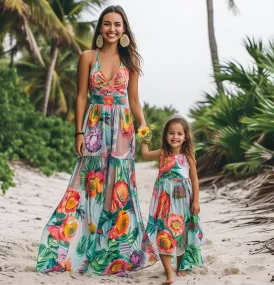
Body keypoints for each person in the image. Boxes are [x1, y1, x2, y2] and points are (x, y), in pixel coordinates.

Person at [36, 5, 158, 276]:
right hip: (94, 127)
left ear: (124, 29)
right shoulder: (87, 56)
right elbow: (80, 96)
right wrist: (78, 132)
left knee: (119, 187)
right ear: (100, 28)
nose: (112, 29)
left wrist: (144, 125)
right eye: (107, 24)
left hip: (122, 129)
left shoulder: (131, 61)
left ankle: (114, 249)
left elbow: (134, 101)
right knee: (91, 184)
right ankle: (84, 246)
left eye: (117, 24)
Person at [141, 117, 204, 284]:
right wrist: (144, 139)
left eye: (179, 133)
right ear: (165, 135)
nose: (175, 137)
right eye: (171, 133)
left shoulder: (188, 156)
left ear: (185, 136)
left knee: (180, 233)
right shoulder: (163, 153)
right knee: (164, 232)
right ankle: (169, 273)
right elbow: (145, 154)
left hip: (183, 202)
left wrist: (195, 201)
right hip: (163, 202)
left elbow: (195, 180)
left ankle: (180, 266)